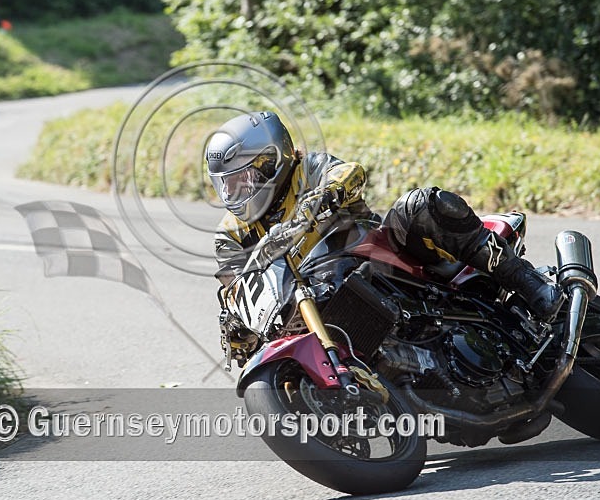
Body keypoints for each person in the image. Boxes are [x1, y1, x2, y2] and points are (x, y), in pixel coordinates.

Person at [207, 111, 563, 359]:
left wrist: (325, 197)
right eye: (227, 185)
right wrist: (238, 330)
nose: (236, 193)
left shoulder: (308, 170)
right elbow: (235, 287)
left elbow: (348, 172)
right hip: (314, 303)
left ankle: (529, 283)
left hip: (379, 259)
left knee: (419, 205)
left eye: (244, 179)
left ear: (273, 160)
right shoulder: (231, 235)